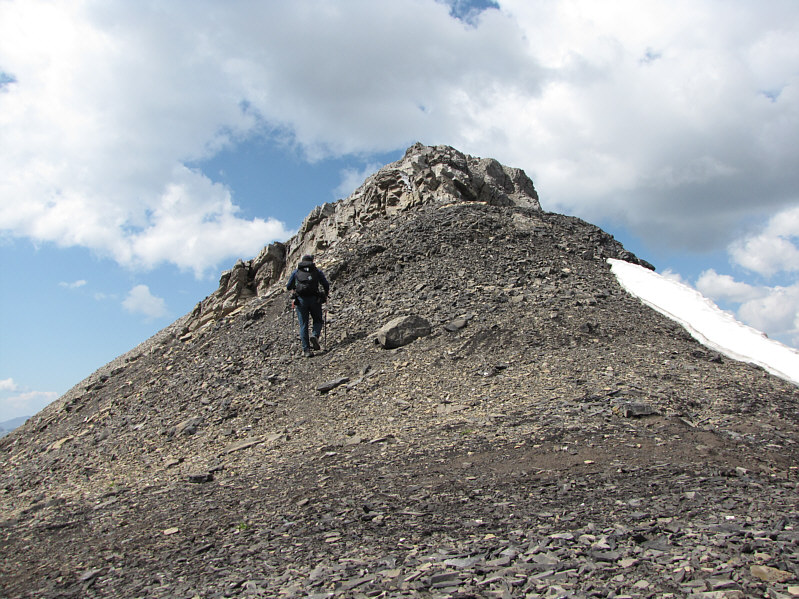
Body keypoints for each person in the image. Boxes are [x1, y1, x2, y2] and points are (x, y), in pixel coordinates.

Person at [286, 254, 330, 357]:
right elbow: (325, 284)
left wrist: (295, 288)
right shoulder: (316, 271)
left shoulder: (296, 272)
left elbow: (288, 286)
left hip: (301, 300)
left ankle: (306, 350)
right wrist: (326, 294)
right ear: (312, 261)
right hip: (314, 299)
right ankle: (315, 335)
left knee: (303, 324)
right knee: (318, 320)